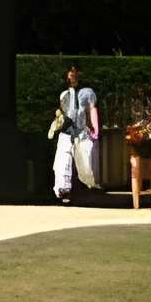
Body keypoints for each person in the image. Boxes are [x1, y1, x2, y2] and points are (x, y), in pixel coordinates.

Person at [50, 65, 102, 203]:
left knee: (85, 161)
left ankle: (86, 187)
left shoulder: (87, 92)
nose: (72, 74)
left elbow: (92, 110)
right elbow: (61, 111)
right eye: (70, 71)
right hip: (66, 131)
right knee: (63, 161)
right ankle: (64, 191)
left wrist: (95, 129)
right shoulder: (63, 93)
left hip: (82, 131)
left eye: (75, 71)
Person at [124, 91, 151, 211]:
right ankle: (136, 204)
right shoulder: (130, 100)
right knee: (135, 168)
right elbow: (124, 119)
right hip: (135, 135)